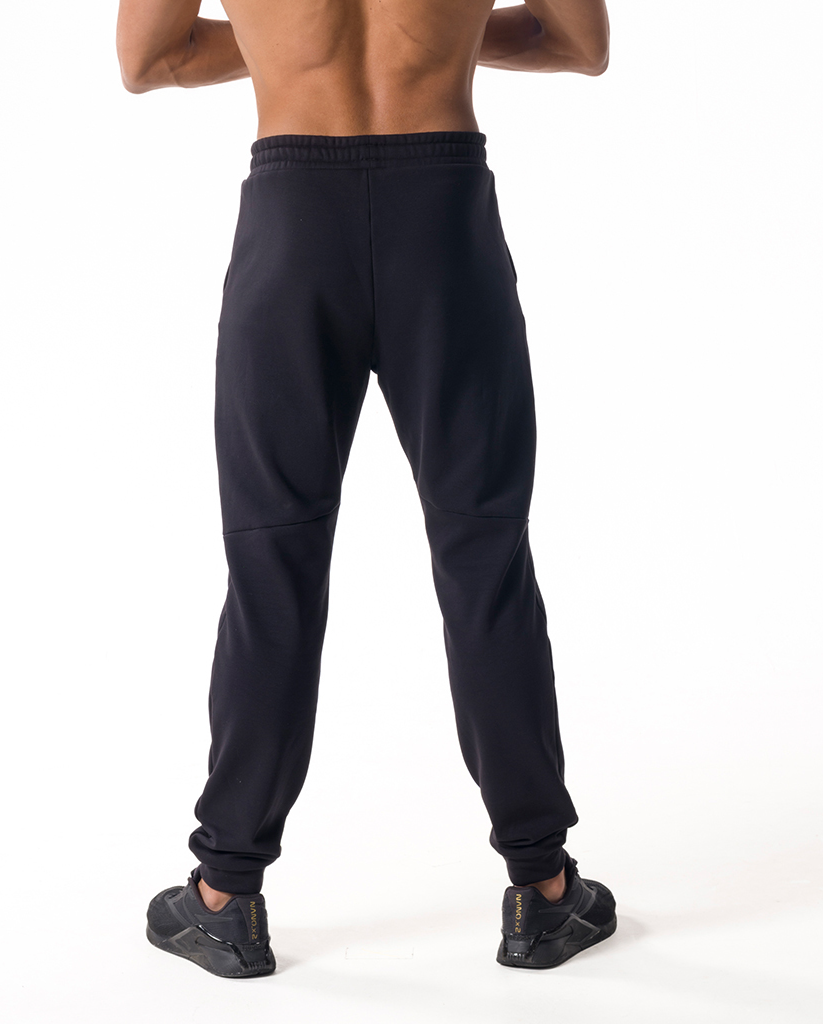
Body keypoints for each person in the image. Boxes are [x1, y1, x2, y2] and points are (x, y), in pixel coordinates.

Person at [115, 0, 615, 978]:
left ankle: (224, 896)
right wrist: (446, 37)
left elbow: (149, 59)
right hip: (444, 218)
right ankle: (543, 890)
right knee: (484, 557)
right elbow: (577, 43)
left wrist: (282, 46)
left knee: (271, 563)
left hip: (292, 222)